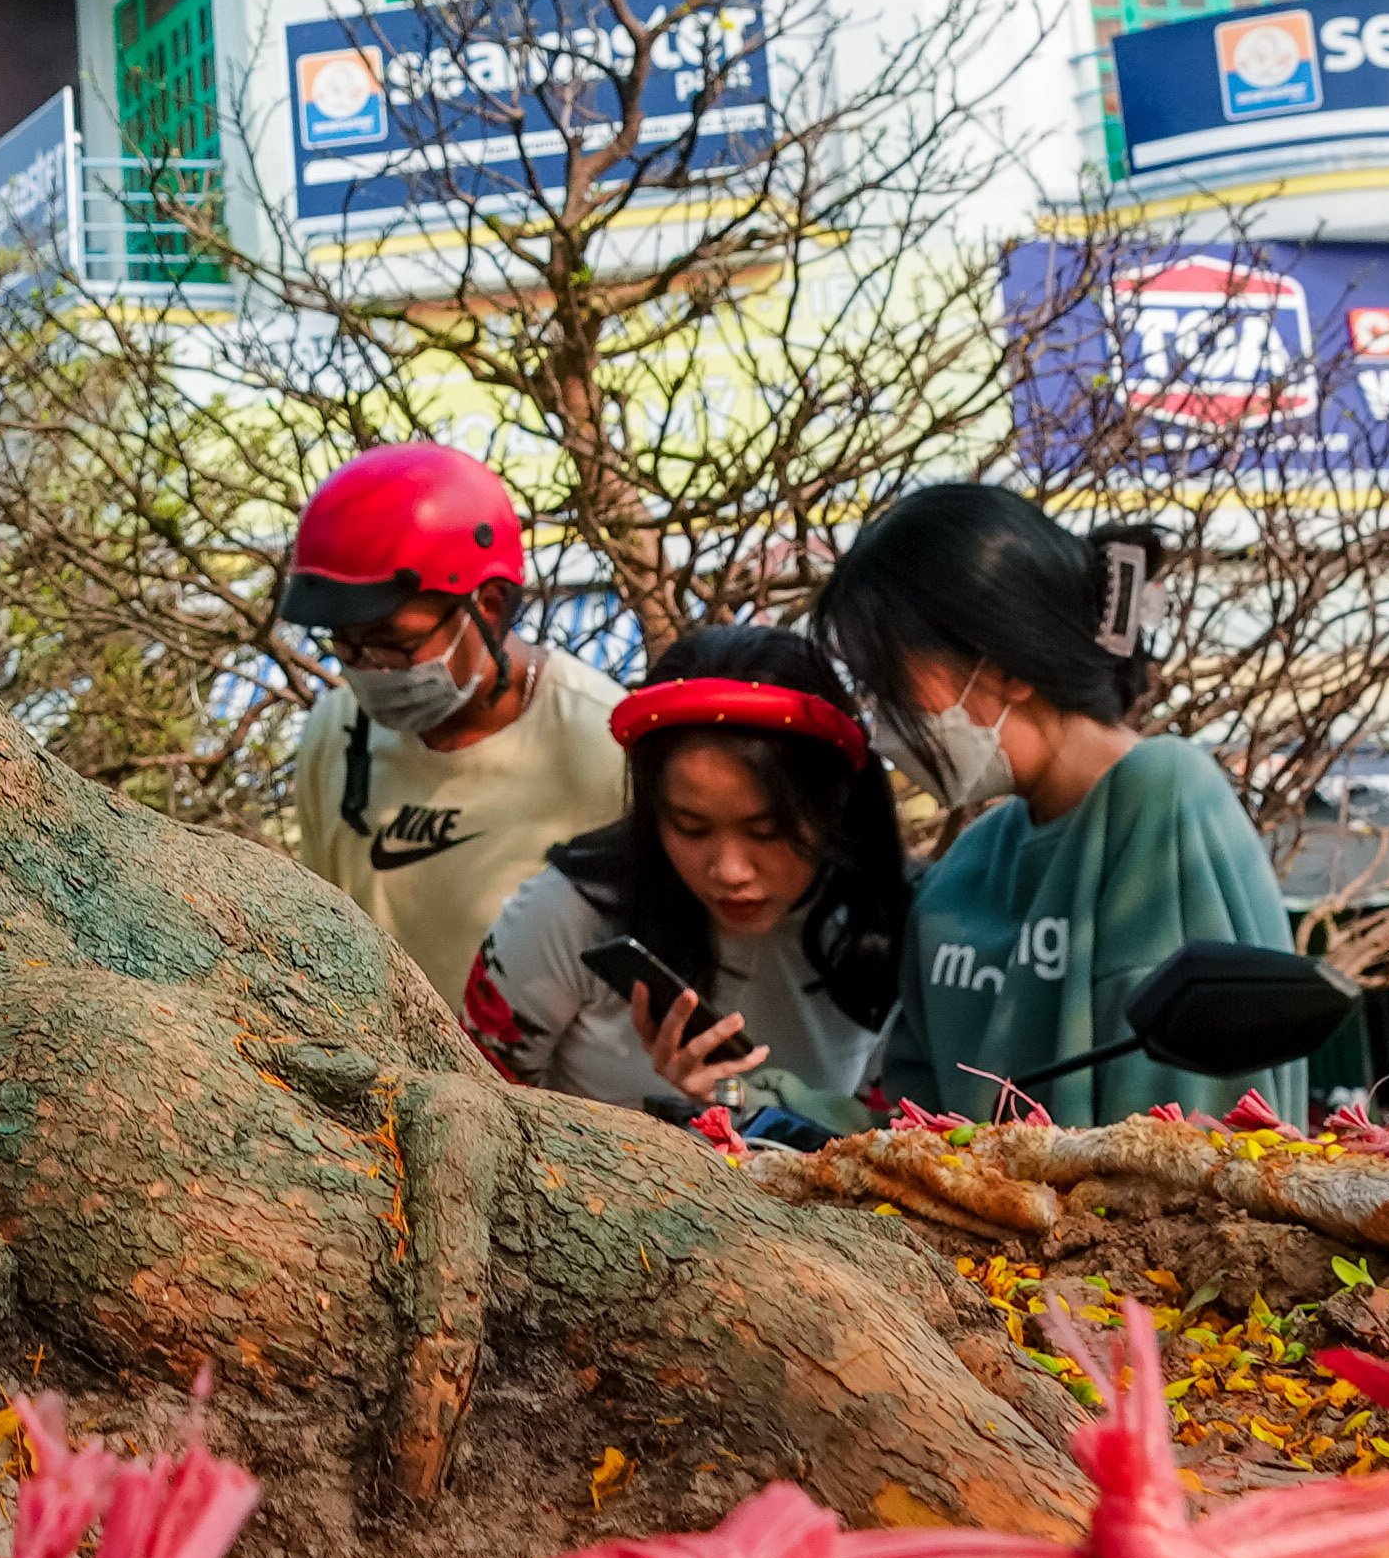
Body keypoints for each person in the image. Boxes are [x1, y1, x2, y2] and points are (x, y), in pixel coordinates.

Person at [818, 480, 1301, 1126]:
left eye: (891, 684)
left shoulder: (1160, 795)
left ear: (1011, 663)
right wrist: (754, 1093)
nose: (883, 725)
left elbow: (1180, 1152)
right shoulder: (967, 867)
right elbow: (920, 1133)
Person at [464, 622, 907, 1130]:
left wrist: (730, 1094)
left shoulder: (897, 932)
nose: (730, 872)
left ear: (836, 806)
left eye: (767, 831)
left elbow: (892, 1148)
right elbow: (471, 1107)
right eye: (690, 828)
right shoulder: (570, 911)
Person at [279, 442, 623, 1018]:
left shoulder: (602, 747)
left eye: (394, 640)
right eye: (344, 641)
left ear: (487, 605)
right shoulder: (336, 730)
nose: (367, 666)